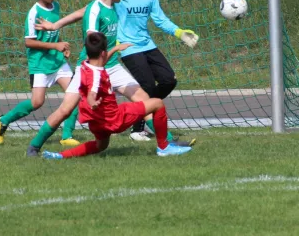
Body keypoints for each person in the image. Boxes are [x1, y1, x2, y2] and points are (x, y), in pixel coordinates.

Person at [26, 0, 156, 157]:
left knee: (144, 99)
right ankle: (34, 146)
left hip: (110, 65)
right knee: (65, 109)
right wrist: (114, 50)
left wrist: (55, 25)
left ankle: (166, 142)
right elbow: (92, 43)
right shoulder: (96, 10)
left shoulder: (112, 5)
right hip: (90, 68)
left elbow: (79, 12)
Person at [42, 32, 192, 159]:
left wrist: (115, 49)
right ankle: (164, 147)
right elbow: (93, 91)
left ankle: (60, 155)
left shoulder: (86, 65)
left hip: (96, 122)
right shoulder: (96, 75)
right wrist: (91, 100)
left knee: (100, 146)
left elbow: (100, 63)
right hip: (115, 119)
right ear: (102, 53)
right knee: (157, 103)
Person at [116, 0, 198, 141]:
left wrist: (180, 33)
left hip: (147, 44)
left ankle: (146, 109)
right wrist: (114, 43)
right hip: (128, 47)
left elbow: (160, 19)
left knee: (169, 80)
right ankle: (138, 129)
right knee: (146, 85)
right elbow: (108, 18)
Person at [0, 0, 80, 146]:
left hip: (58, 62)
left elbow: (54, 31)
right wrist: (55, 46)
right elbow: (28, 42)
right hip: (39, 64)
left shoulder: (56, 6)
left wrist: (61, 45)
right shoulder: (33, 13)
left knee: (75, 95)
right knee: (37, 102)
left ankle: (67, 136)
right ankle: (3, 120)